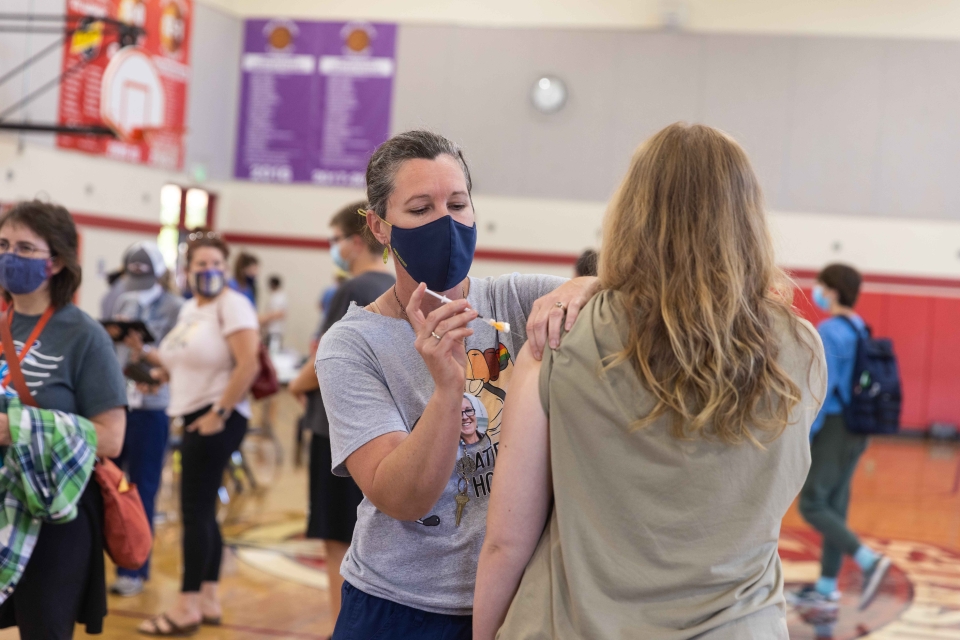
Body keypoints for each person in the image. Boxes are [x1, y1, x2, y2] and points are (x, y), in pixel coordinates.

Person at [473, 123, 828, 640]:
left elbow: (506, 541)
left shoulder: (556, 341)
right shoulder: (802, 350)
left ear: (630, 212)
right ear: (748, 218)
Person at [316, 130, 597, 639]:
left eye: (458, 203)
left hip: (515, 596)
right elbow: (401, 499)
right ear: (380, 226)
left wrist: (583, 284)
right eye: (420, 209)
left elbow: (622, 293)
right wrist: (448, 391)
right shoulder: (352, 344)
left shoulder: (516, 300)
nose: (445, 222)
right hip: (400, 606)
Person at [0, 201, 127, 638]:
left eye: (23, 247)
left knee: (43, 630)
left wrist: (19, 427)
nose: (8, 256)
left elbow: (112, 438)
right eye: (2, 244)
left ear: (54, 260)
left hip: (55, 509)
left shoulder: (84, 335)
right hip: (2, 499)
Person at [135, 230, 260, 636]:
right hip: (192, 411)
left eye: (217, 264)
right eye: (201, 265)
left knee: (193, 511)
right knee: (203, 510)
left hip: (216, 415)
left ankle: (185, 605)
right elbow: (182, 363)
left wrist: (220, 412)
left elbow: (248, 365)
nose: (210, 271)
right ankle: (207, 597)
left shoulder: (234, 304)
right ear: (187, 271)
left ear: (227, 268)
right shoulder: (192, 309)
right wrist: (153, 369)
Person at [289, 199, 395, 623]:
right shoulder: (388, 286)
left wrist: (295, 385)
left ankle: (340, 626)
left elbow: (325, 360)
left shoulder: (351, 289)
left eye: (335, 240)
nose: (333, 249)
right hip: (375, 429)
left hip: (335, 434)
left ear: (355, 241)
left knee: (337, 541)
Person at [790, 264, 892, 614]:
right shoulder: (859, 326)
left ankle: (869, 560)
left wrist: (806, 431)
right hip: (858, 427)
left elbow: (822, 387)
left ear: (832, 290)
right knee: (835, 506)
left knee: (812, 504)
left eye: (821, 285)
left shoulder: (830, 330)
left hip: (835, 424)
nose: (817, 290)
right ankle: (826, 587)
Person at [107, 241, 184, 597]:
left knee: (143, 488)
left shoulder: (174, 306)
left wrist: (147, 352)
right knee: (104, 483)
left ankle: (134, 569)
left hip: (152, 407)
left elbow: (177, 358)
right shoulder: (114, 296)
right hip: (114, 402)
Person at [263, 275, 287, 352]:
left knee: (273, 352)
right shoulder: (273, 296)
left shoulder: (280, 297)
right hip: (270, 330)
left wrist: (265, 318)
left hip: (276, 330)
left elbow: (281, 313)